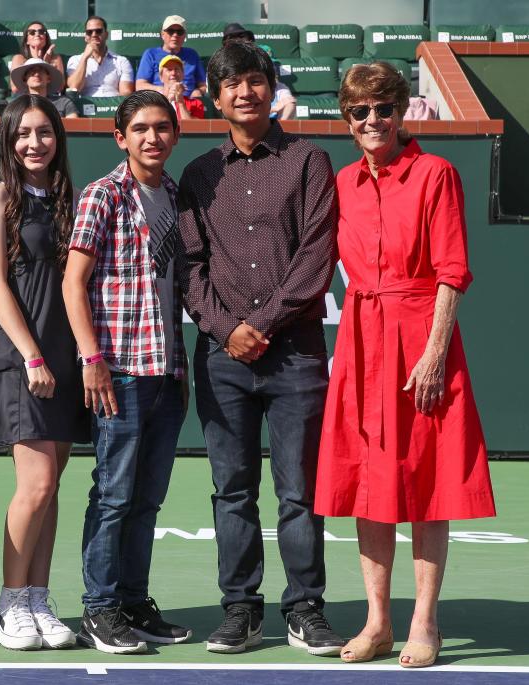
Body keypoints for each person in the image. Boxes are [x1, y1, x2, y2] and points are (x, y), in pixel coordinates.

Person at [315, 61, 496, 668]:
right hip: (363, 340)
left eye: (384, 108)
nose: (373, 120)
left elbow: (452, 270)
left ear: (401, 112)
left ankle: (425, 621)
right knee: (370, 486)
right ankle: (377, 623)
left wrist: (435, 354)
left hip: (423, 336)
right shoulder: (341, 183)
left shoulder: (436, 174)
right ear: (347, 119)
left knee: (427, 484)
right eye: (360, 111)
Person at [177, 41, 342, 656]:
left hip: (294, 353)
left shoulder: (308, 160)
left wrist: (261, 325)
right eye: (231, 85)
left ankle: (305, 609)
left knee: (298, 490)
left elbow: (315, 259)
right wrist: (226, 330)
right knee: (232, 489)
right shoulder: (199, 174)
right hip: (222, 361)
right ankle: (241, 609)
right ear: (215, 98)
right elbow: (191, 269)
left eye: (254, 81)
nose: (244, 92)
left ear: (271, 88)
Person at [62, 91, 191, 654]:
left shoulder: (180, 198)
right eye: (140, 129)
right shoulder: (102, 196)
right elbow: (74, 283)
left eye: (162, 128)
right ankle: (100, 608)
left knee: (147, 497)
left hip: (169, 371)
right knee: (114, 495)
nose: (152, 138)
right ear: (121, 137)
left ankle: (134, 602)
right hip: (120, 370)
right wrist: (92, 360)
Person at [0, 95, 89, 651]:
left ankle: (38, 598)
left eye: (44, 133)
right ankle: (10, 602)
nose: (34, 143)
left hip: (66, 356)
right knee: (35, 483)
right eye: (23, 134)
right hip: (25, 356)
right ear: (7, 141)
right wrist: (32, 356)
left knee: (51, 487)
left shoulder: (70, 198)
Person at [222, 23, 296, 120]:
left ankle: (278, 132)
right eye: (233, 38)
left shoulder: (278, 87)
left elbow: (290, 102)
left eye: (242, 36)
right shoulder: (229, 83)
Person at [135, 15, 206, 98]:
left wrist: (198, 91)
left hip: (189, 102)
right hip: (160, 101)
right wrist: (163, 90)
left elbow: (203, 85)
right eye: (170, 31)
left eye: (179, 32)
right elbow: (140, 85)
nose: (175, 35)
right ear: (162, 34)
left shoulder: (192, 54)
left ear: (184, 36)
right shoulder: (150, 54)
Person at [66, 15, 134, 97]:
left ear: (106, 34)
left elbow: (126, 93)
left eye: (98, 31)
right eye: (89, 32)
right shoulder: (75, 60)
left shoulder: (121, 61)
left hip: (113, 105)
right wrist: (84, 58)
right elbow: (74, 88)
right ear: (85, 37)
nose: (94, 35)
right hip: (85, 107)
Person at [8, 22, 67, 93]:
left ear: (46, 38)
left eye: (41, 32)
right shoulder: (19, 58)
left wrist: (46, 65)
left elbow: (60, 87)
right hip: (25, 99)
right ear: (27, 40)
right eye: (32, 32)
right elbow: (15, 88)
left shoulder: (55, 58)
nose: (37, 34)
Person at [10, 58, 78, 118]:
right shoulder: (17, 105)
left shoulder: (64, 103)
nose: (36, 74)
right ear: (25, 80)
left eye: (41, 71)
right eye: (32, 72)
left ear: (48, 78)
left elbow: (73, 129)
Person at [158, 54, 204, 120]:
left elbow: (192, 129)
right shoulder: (153, 102)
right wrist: (168, 101)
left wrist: (181, 102)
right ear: (161, 77)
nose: (173, 73)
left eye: (176, 69)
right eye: (169, 69)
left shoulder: (196, 104)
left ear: (183, 75)